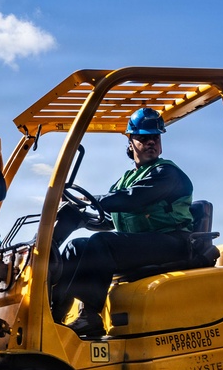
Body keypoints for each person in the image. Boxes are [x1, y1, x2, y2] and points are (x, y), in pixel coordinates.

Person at [51, 107, 194, 338]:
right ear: (131, 143)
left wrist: (88, 199)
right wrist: (79, 215)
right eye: (143, 138)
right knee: (74, 247)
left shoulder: (166, 172)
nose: (151, 143)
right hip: (145, 243)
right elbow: (110, 219)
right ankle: (54, 315)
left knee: (101, 243)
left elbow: (134, 198)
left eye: (155, 138)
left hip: (173, 242)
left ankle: (89, 315)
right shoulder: (125, 180)